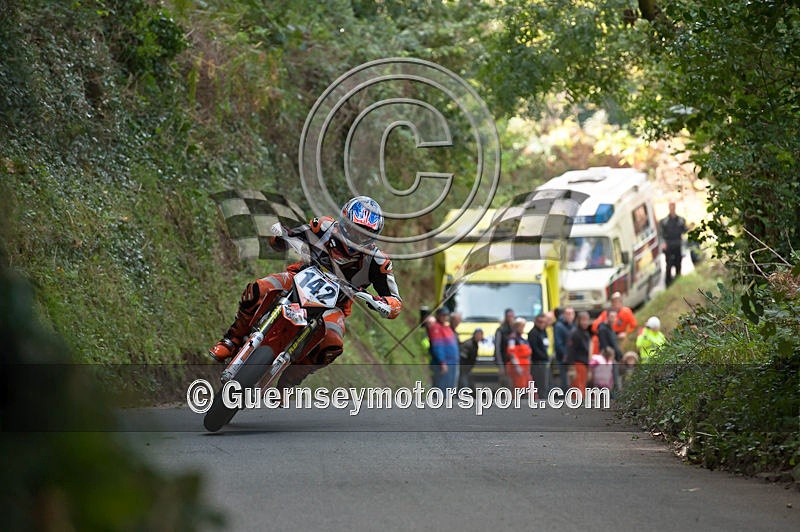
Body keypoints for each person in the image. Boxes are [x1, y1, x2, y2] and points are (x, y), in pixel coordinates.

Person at [209, 196, 402, 389]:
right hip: (297, 278)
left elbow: (394, 300)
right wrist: (281, 236)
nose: (356, 237)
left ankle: (289, 382)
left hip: (335, 306)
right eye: (354, 229)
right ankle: (231, 340)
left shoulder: (378, 262)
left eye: (364, 234)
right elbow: (290, 236)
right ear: (344, 222)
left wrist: (385, 304)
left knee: (332, 344)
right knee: (259, 288)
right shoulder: (324, 227)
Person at [425, 307, 460, 390]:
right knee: (441, 388)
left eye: (446, 315)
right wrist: (442, 362)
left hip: (452, 363)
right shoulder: (436, 328)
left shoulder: (446, 327)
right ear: (438, 316)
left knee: (450, 388)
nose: (445, 317)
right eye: (443, 315)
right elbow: (438, 347)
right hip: (443, 364)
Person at [659, 201, 688, 287]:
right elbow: (661, 234)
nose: (672, 209)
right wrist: (663, 243)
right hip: (668, 246)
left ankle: (678, 283)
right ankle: (668, 284)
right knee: (669, 265)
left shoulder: (680, 220)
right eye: (670, 207)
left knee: (678, 264)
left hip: (678, 245)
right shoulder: (664, 221)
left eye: (673, 207)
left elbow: (685, 231)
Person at [597, 309, 624, 393]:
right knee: (612, 384)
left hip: (614, 358)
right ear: (607, 317)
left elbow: (614, 344)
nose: (613, 319)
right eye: (611, 317)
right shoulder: (603, 329)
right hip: (608, 359)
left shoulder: (610, 329)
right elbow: (604, 346)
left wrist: (620, 355)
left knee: (615, 383)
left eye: (615, 317)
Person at [566, 311, 592, 396]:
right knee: (576, 390)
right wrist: (571, 368)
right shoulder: (575, 333)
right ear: (578, 320)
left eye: (587, 320)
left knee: (582, 390)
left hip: (584, 365)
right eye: (583, 320)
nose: (585, 322)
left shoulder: (585, 333)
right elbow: (570, 350)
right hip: (577, 365)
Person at [505, 317, 533, 392]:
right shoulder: (512, 339)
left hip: (525, 368)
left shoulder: (523, 339)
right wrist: (517, 366)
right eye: (521, 326)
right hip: (517, 368)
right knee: (518, 388)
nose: (523, 328)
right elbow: (511, 353)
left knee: (528, 387)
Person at [527, 313, 550, 394]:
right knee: (539, 385)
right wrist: (544, 356)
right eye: (540, 322)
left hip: (544, 361)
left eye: (543, 322)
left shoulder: (543, 332)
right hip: (537, 362)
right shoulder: (533, 333)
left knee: (545, 384)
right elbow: (534, 348)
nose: (542, 324)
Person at [553, 307, 576, 391]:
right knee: (565, 382)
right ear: (564, 315)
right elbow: (558, 343)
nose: (570, 316)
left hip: (573, 358)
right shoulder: (559, 326)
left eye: (571, 314)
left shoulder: (574, 326)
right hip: (563, 358)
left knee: (573, 382)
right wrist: (566, 354)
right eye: (568, 314)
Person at [494, 308, 515, 383]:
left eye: (512, 316)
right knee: (505, 383)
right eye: (509, 316)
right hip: (504, 361)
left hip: (513, 362)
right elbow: (497, 348)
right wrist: (500, 365)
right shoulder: (501, 330)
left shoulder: (514, 330)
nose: (511, 318)